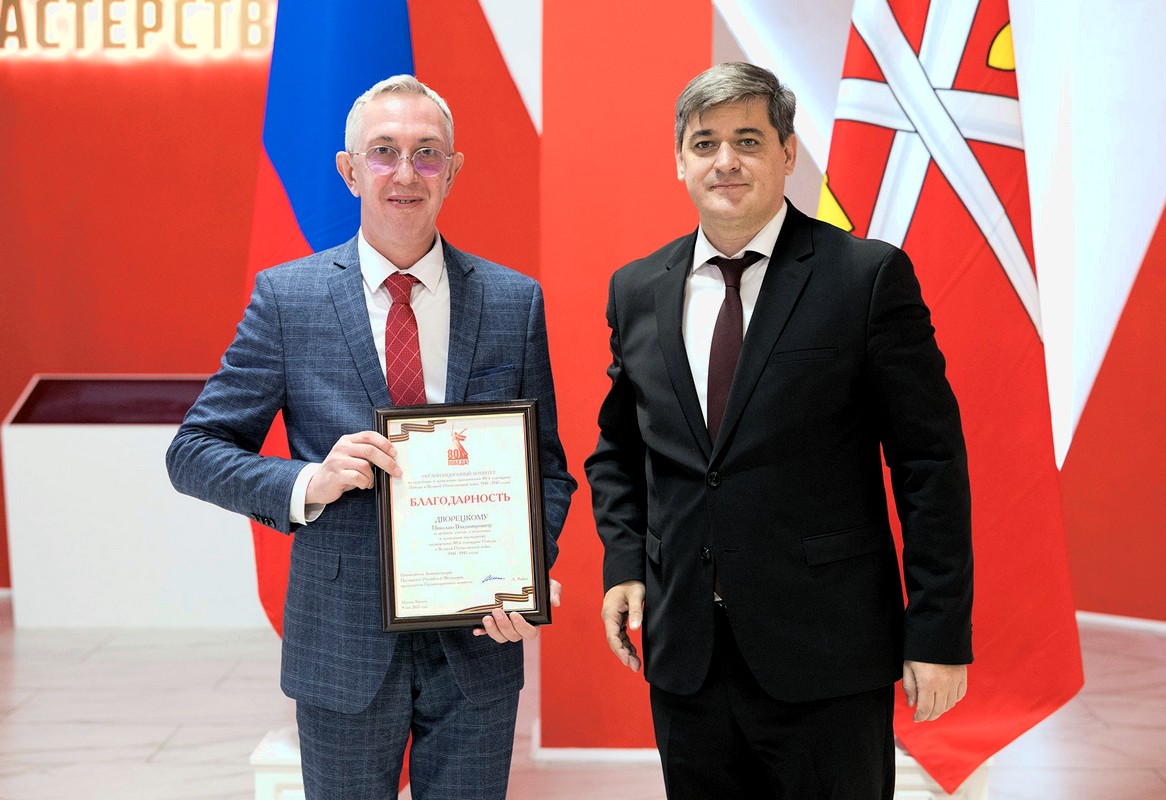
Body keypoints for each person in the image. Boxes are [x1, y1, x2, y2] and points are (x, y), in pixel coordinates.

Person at [166, 75, 575, 800]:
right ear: (350, 170)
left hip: (478, 641)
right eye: (383, 152)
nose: (406, 172)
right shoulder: (288, 299)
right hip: (342, 645)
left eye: (427, 153)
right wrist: (308, 481)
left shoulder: (513, 301)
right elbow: (194, 451)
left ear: (453, 169)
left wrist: (527, 571)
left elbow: (545, 471)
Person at [585, 62, 973, 800]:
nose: (725, 161)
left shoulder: (866, 277)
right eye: (704, 143)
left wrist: (938, 633)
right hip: (688, 659)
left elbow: (930, 464)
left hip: (827, 658)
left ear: (787, 152)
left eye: (748, 140)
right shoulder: (636, 289)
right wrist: (626, 562)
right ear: (679, 160)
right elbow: (619, 451)